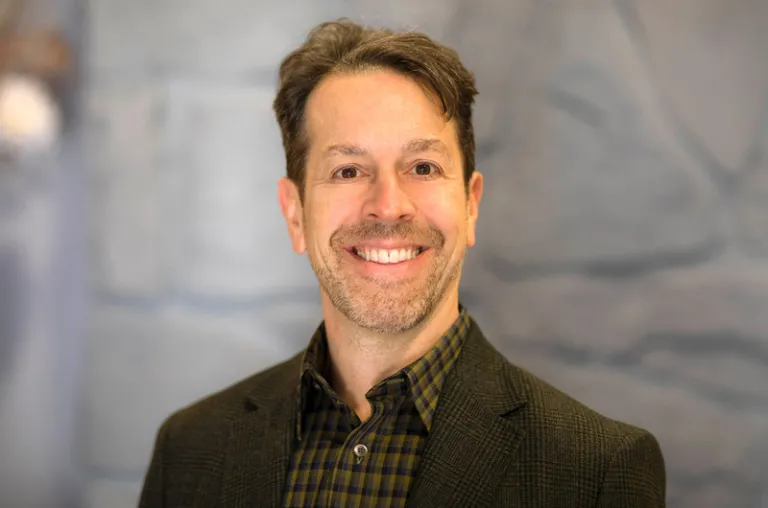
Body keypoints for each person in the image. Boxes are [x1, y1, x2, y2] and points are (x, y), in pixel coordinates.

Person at [138, 18, 666, 508]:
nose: (388, 205)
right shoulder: (188, 451)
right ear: (295, 214)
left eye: (422, 166)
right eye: (348, 171)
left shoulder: (596, 472)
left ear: (471, 203)